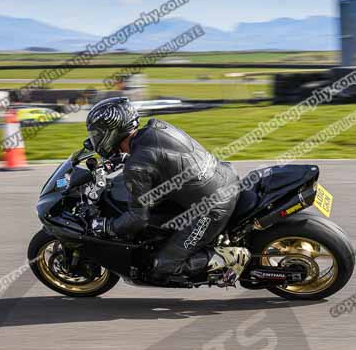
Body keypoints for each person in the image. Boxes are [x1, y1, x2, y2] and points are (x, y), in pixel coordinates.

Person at [86, 97, 250, 284]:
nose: (96, 139)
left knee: (163, 266)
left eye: (98, 134)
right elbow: (157, 157)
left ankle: (230, 257)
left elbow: (138, 218)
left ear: (112, 132)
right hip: (224, 176)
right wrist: (118, 160)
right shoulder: (156, 127)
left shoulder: (137, 167)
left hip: (212, 207)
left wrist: (106, 226)